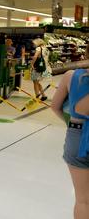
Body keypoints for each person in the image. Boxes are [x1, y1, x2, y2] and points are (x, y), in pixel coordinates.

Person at [51, 69, 89, 219]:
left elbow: (54, 107)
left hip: (77, 136)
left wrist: (70, 124)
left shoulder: (71, 76)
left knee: (82, 201)